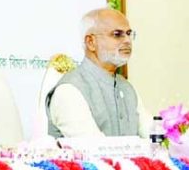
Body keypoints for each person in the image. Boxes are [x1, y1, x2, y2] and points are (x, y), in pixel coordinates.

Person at [47, 8, 151, 138]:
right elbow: (94, 150)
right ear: (91, 42)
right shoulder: (69, 90)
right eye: (117, 34)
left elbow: (153, 137)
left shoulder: (127, 88)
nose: (127, 41)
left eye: (129, 34)